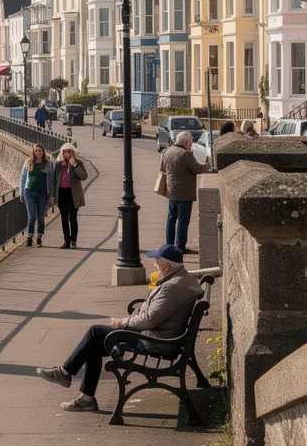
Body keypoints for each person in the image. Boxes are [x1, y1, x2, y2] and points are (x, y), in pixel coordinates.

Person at [37, 244, 203, 411]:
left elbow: (150, 320)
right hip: (162, 335)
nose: (154, 266)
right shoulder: (183, 279)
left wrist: (122, 322)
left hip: (155, 340)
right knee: (93, 343)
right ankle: (83, 394)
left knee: (95, 332)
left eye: (157, 262)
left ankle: (65, 374)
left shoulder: (172, 287)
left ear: (167, 266)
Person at [161, 131, 209, 254]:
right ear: (186, 142)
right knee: (183, 220)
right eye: (191, 143)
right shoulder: (186, 154)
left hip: (171, 191)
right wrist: (208, 164)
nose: (191, 146)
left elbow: (162, 168)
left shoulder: (167, 151)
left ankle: (169, 245)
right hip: (184, 192)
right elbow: (197, 169)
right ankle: (180, 247)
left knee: (171, 218)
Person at [49, 145, 88, 249]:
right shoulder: (58, 165)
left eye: (69, 152)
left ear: (72, 153)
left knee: (73, 217)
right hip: (61, 193)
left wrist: (74, 164)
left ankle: (73, 240)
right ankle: (66, 241)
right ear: (62, 153)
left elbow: (84, 176)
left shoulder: (78, 163)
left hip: (73, 194)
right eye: (65, 152)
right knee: (64, 218)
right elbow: (53, 180)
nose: (67, 154)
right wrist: (52, 195)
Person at [19, 144, 52, 247]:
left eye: (40, 150)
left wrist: (50, 193)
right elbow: (23, 178)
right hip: (29, 192)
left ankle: (39, 237)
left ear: (43, 151)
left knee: (41, 217)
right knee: (31, 216)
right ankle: (29, 237)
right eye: (36, 150)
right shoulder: (28, 162)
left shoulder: (48, 163)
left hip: (42, 193)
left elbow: (50, 178)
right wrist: (21, 191)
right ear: (33, 152)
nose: (38, 152)